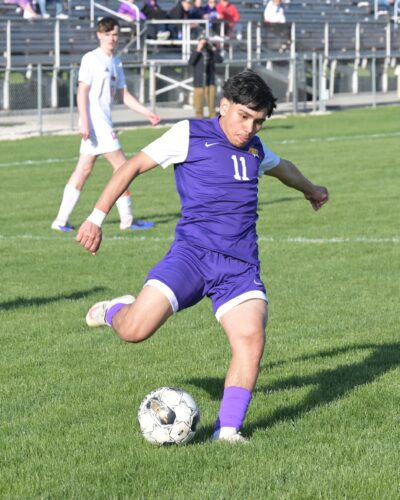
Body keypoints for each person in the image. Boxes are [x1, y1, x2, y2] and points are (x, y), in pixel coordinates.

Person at [77, 69, 329, 443]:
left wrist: (311, 189)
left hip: (239, 268)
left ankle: (226, 432)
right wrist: (96, 218)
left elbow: (283, 169)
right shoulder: (189, 134)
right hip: (191, 257)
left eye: (258, 121)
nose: (249, 128)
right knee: (134, 331)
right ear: (224, 106)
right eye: (244, 116)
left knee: (251, 337)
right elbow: (132, 166)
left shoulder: (255, 149)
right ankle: (114, 309)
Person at [52, 17, 160, 233]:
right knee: (123, 168)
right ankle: (127, 221)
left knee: (83, 170)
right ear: (99, 35)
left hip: (101, 123)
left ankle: (60, 221)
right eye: (108, 34)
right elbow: (82, 91)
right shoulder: (91, 58)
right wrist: (84, 121)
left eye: (115, 34)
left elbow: (124, 95)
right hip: (97, 125)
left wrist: (146, 112)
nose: (112, 38)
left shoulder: (116, 62)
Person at [189, 35, 222, 118]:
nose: (204, 43)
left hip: (210, 82)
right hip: (199, 83)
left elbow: (219, 60)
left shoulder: (211, 51)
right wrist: (198, 49)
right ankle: (199, 122)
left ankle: (213, 122)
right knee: (198, 107)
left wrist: (214, 48)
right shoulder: (195, 51)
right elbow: (191, 62)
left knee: (212, 107)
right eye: (202, 41)